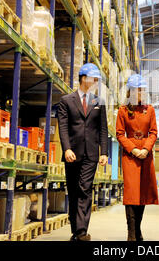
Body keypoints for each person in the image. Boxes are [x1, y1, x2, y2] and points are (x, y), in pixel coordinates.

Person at [57, 63, 108, 241]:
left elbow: (103, 129)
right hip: (72, 153)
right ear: (83, 78)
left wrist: (104, 152)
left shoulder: (98, 102)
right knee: (73, 190)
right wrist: (66, 149)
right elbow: (62, 127)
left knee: (85, 189)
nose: (95, 82)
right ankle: (76, 230)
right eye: (93, 78)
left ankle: (81, 232)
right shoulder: (66, 101)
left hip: (91, 154)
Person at [116, 74, 159, 241]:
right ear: (131, 91)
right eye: (139, 90)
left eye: (143, 90)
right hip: (130, 156)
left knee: (143, 195)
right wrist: (133, 149)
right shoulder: (123, 110)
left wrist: (146, 149)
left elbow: (154, 132)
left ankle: (138, 230)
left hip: (146, 156)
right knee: (131, 195)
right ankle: (131, 234)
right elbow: (120, 134)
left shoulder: (150, 109)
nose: (142, 93)